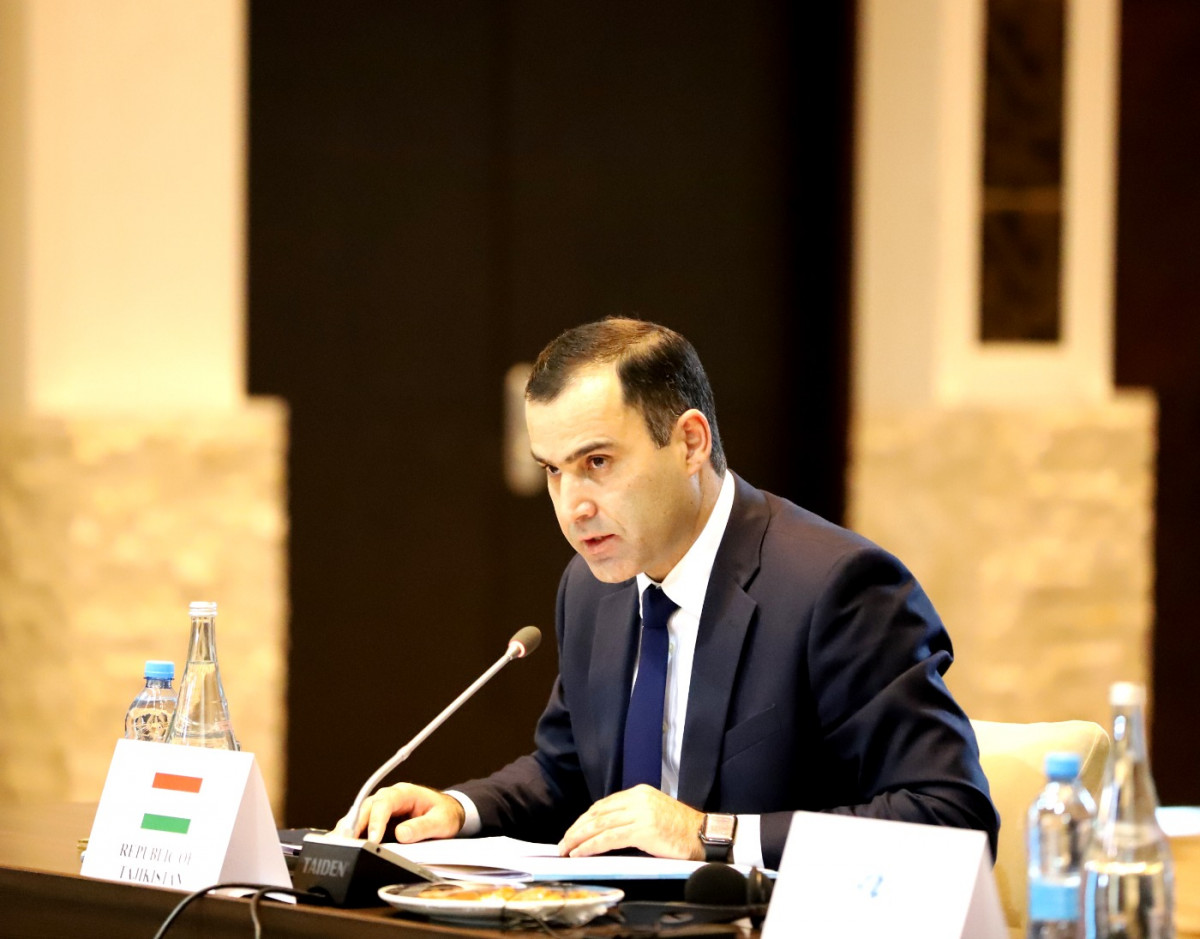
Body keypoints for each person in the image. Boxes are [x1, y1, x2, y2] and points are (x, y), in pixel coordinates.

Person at [337, 317, 998, 869]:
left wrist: (710, 834)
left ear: (689, 443)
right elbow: (569, 774)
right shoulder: (591, 589)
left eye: (597, 462)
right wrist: (462, 809)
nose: (572, 507)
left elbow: (952, 819)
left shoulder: (836, 588)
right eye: (554, 471)